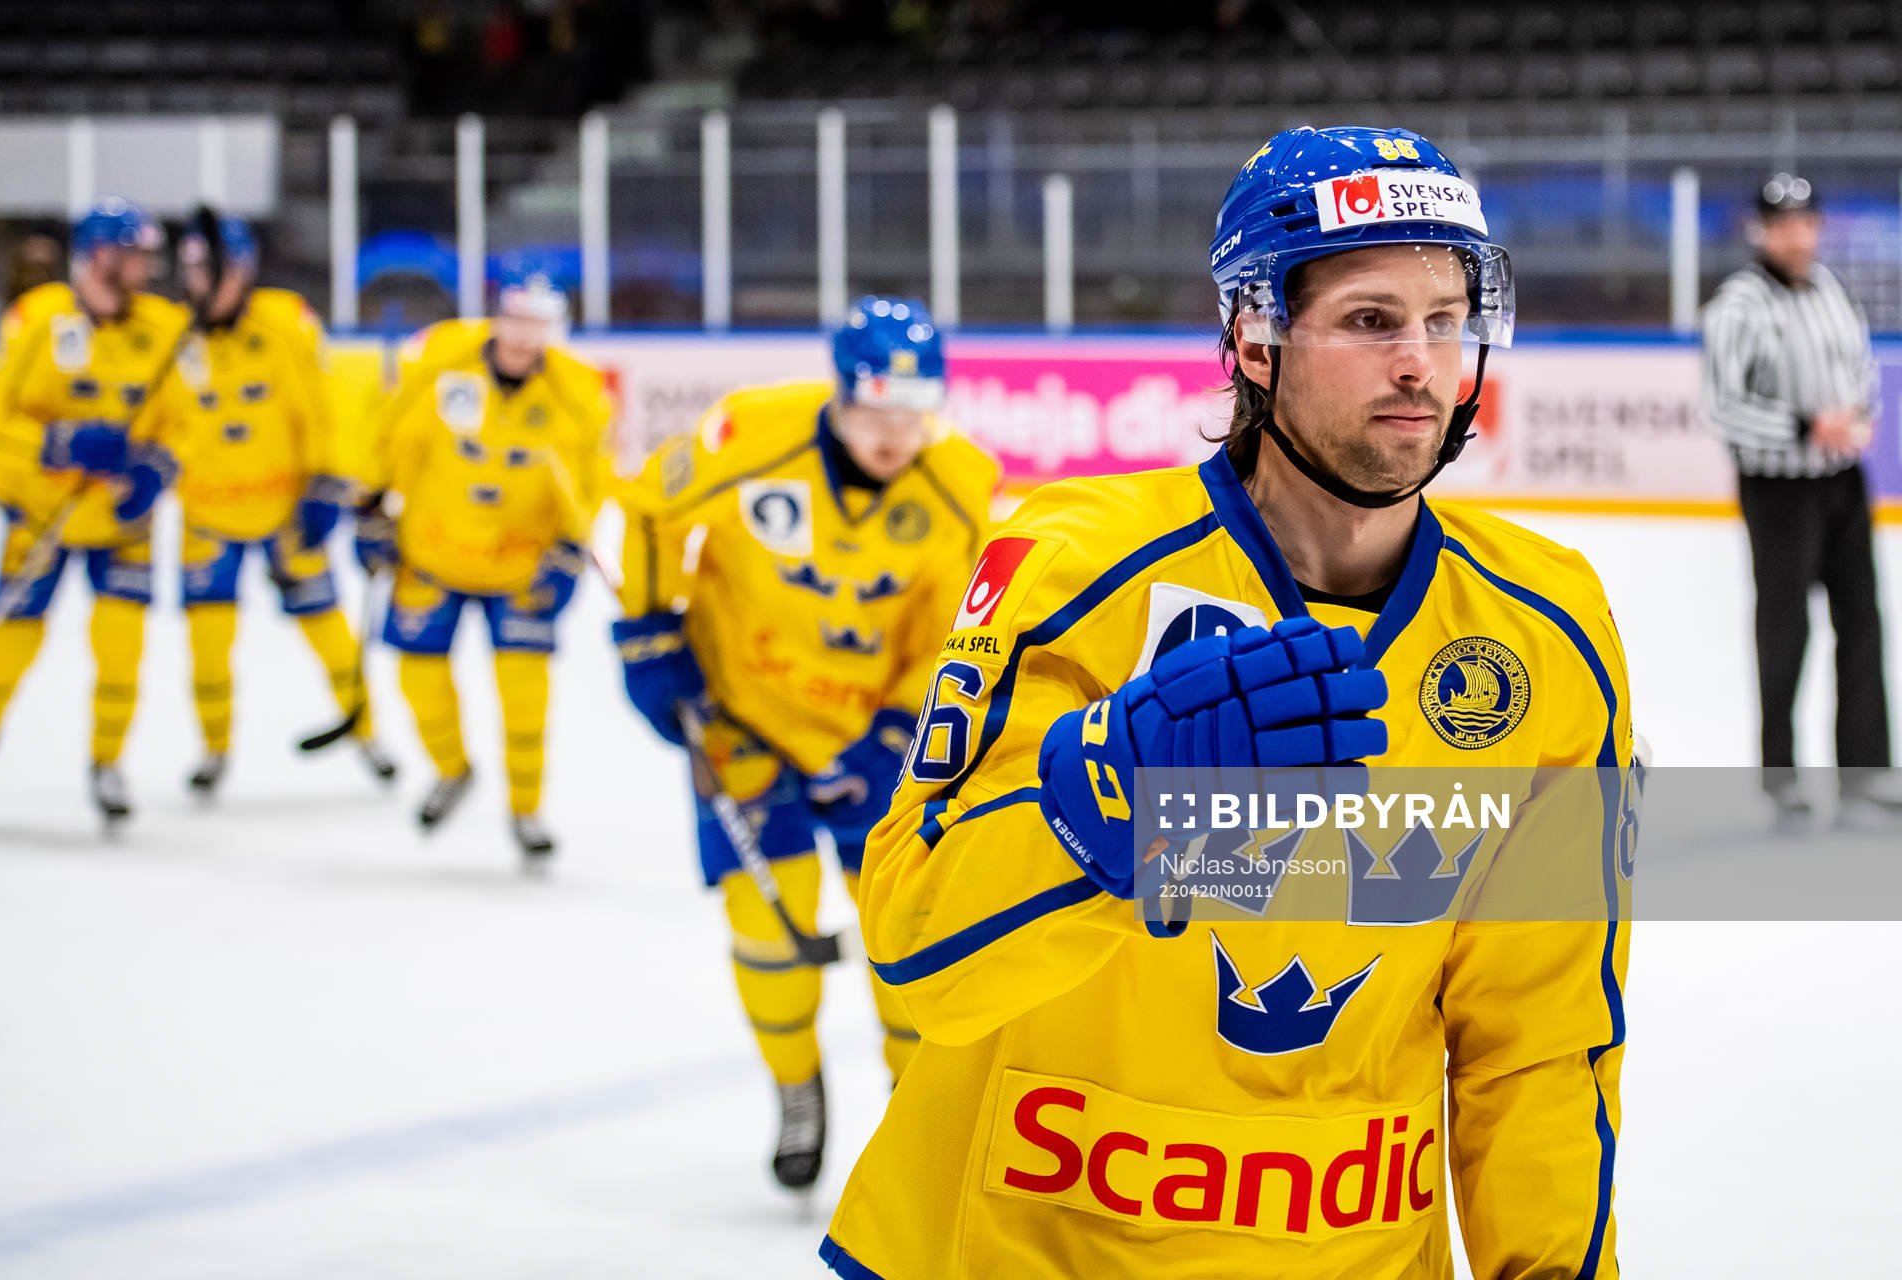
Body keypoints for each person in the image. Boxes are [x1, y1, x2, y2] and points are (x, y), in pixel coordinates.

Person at [822, 128, 1635, 1278]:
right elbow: (915, 948)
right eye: (1370, 319)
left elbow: (1543, 1039)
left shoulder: (1548, 631)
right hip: (1030, 1239)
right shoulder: (1070, 569)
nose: (1422, 362)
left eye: (1445, 317)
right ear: (1254, 336)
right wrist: (1101, 802)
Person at [613, 296, 1000, 1191]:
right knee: (766, 927)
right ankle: (795, 1089)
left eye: (916, 413)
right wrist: (646, 632)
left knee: (907, 939)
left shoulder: (960, 485)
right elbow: (641, 512)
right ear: (840, 392)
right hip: (741, 718)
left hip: (879, 740)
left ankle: (918, 1111)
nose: (896, 435)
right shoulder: (747, 435)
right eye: (877, 411)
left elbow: (965, 629)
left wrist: (906, 734)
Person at [355, 269, 610, 866]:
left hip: (521, 564)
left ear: (555, 329)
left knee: (525, 695)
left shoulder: (578, 391)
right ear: (497, 316)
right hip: (432, 551)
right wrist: (369, 503)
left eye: (538, 324)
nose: (524, 337)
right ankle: (452, 769)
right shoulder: (442, 362)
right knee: (418, 675)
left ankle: (526, 810)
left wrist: (573, 546)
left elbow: (592, 479)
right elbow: (392, 434)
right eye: (516, 320)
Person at [156, 208, 396, 795]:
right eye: (194, 269)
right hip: (207, 515)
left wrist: (325, 483)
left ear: (243, 270)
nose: (207, 282)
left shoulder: (285, 322)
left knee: (326, 627)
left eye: (216, 269)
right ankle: (213, 749)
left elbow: (321, 406)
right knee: (208, 642)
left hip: (287, 512)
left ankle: (367, 733)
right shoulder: (166, 336)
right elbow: (156, 426)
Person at [1701, 173, 1899, 830]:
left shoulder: (1830, 290)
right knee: (1786, 630)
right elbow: (1722, 406)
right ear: (1760, 229)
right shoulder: (1738, 305)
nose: (1797, 235)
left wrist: (1855, 415)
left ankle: (1866, 776)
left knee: (1862, 624)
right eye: (1784, 224)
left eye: (1807, 223)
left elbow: (1859, 370)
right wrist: (1805, 425)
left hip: (1842, 480)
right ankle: (1781, 780)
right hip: (1778, 487)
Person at [0, 197, 187, 821]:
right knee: (10, 643)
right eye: (135, 256)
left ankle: (107, 763)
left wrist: (159, 468)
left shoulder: (166, 327)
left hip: (123, 519)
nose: (146, 269)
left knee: (122, 648)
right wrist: (55, 443)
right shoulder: (36, 319)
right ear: (100, 256)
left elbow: (187, 423)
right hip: (44, 514)